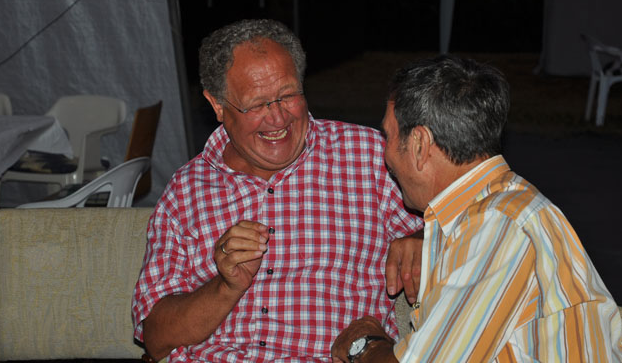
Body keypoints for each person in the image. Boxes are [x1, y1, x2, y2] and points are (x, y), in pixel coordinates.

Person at [131, 19, 424, 362]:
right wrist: (226, 287)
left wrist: (423, 236)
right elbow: (156, 338)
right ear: (217, 105)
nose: (278, 119)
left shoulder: (367, 158)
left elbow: (464, 225)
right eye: (256, 104)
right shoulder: (187, 190)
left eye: (288, 95)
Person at [331, 55, 622, 362]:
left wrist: (363, 343)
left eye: (388, 136)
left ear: (419, 144)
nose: (386, 153)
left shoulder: (497, 225)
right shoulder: (492, 211)